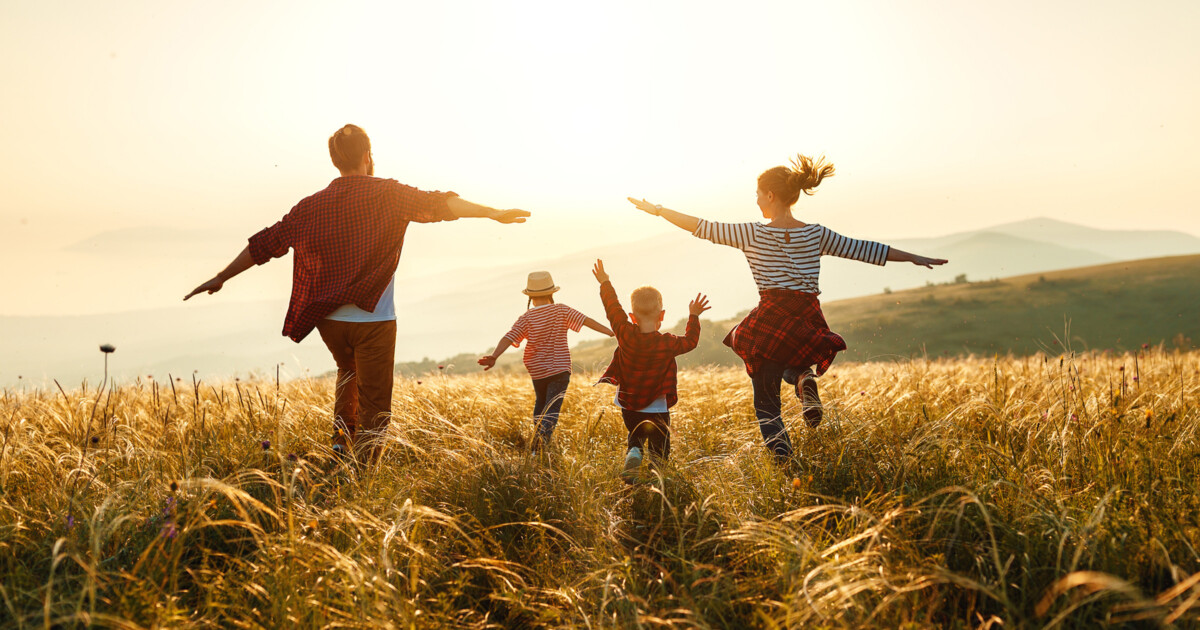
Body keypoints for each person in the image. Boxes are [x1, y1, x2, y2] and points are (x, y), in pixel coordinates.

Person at [184, 124, 529, 463]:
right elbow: (441, 204)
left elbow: (266, 244)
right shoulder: (389, 194)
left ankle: (340, 447)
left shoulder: (310, 206)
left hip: (329, 321)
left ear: (335, 160)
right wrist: (493, 213)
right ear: (367, 156)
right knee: (375, 403)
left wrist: (221, 276)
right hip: (374, 320)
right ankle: (362, 475)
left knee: (347, 373)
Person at [627, 154, 947, 464]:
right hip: (807, 315)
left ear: (770, 194)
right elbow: (865, 249)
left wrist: (658, 210)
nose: (755, 201)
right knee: (784, 358)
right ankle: (803, 377)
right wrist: (915, 258)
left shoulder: (752, 233)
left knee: (766, 402)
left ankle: (787, 465)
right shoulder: (816, 233)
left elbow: (701, 226)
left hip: (772, 314)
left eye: (757, 195)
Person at [591, 259, 708, 483]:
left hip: (629, 403)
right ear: (661, 316)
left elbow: (612, 308)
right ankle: (656, 477)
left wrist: (605, 282)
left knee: (635, 434)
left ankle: (634, 451)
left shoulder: (625, 333)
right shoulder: (667, 343)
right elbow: (691, 341)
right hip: (657, 405)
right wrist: (693, 316)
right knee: (659, 445)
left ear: (632, 316)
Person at [478, 271, 613, 451]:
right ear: (551, 293)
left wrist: (494, 356)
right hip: (559, 369)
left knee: (541, 405)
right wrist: (611, 332)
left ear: (531, 297)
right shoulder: (561, 310)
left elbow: (509, 337)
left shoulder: (526, 318)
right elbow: (586, 321)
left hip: (538, 371)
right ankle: (540, 446)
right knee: (552, 408)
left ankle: (536, 445)